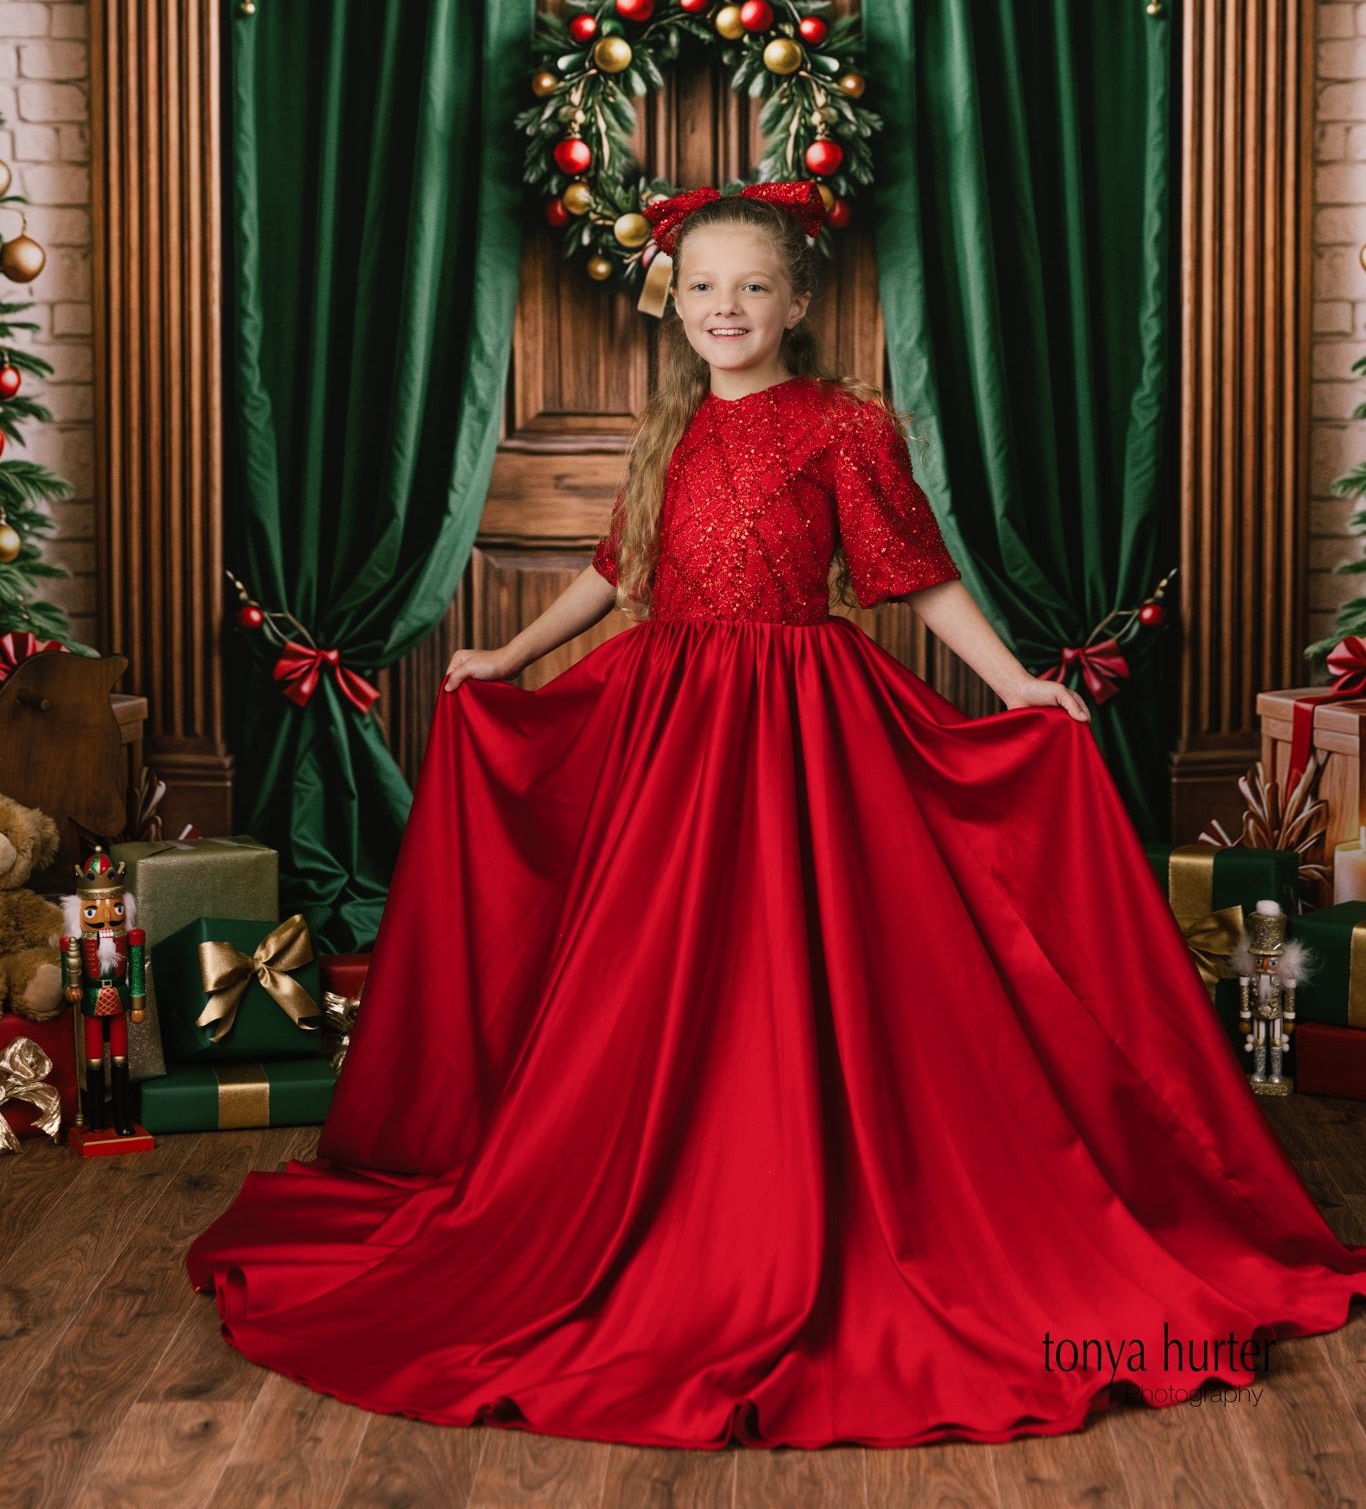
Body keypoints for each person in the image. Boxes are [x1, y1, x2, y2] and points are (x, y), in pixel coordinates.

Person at [188, 181, 1366, 1450]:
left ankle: (810, 1165)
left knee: (806, 948)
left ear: (798, 303)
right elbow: (618, 573)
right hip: (670, 718)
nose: (724, 306)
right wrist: (506, 656)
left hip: (801, 717)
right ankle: (661, 1165)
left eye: (752, 285)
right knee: (656, 953)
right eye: (701, 286)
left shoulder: (843, 427)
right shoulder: (672, 424)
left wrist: (1021, 680)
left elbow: (914, 576)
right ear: (673, 303)